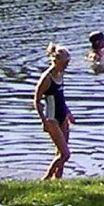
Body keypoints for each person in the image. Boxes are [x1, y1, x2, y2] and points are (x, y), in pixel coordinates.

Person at [33, 42, 75, 180]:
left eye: (67, 63)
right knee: (65, 154)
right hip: (52, 119)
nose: (66, 66)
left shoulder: (61, 73)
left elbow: (60, 97)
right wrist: (43, 121)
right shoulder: (46, 78)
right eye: (64, 63)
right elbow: (37, 100)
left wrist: (68, 113)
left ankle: (58, 180)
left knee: (60, 152)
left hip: (63, 115)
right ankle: (45, 179)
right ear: (56, 61)